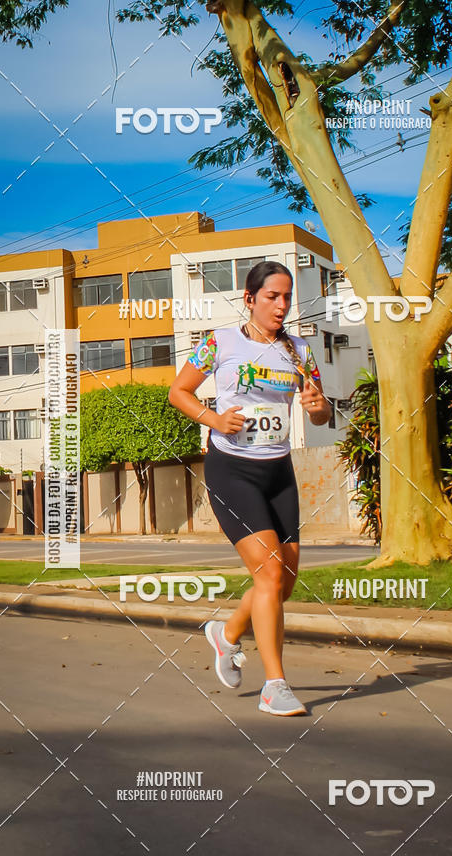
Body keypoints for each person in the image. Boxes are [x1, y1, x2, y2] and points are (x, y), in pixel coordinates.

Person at [168, 261, 331, 715]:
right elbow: (178, 392)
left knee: (285, 581)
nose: (281, 305)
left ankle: (226, 634)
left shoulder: (299, 351)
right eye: (271, 297)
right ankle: (274, 686)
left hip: (279, 471)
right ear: (250, 298)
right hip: (232, 469)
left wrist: (318, 407)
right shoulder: (219, 342)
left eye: (286, 297)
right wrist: (215, 419)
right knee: (271, 572)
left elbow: (320, 413)